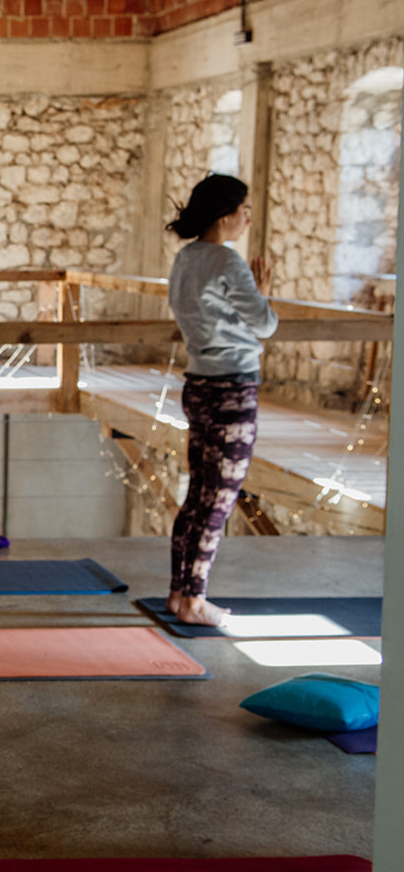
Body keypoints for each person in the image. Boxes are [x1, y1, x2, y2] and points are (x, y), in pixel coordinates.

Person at [166, 174, 276, 627]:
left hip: (199, 385)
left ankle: (179, 594)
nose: (247, 218)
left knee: (198, 495)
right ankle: (193, 601)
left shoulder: (186, 258)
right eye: (245, 210)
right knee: (220, 498)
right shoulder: (228, 263)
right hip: (232, 388)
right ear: (227, 214)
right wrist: (260, 288)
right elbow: (265, 324)